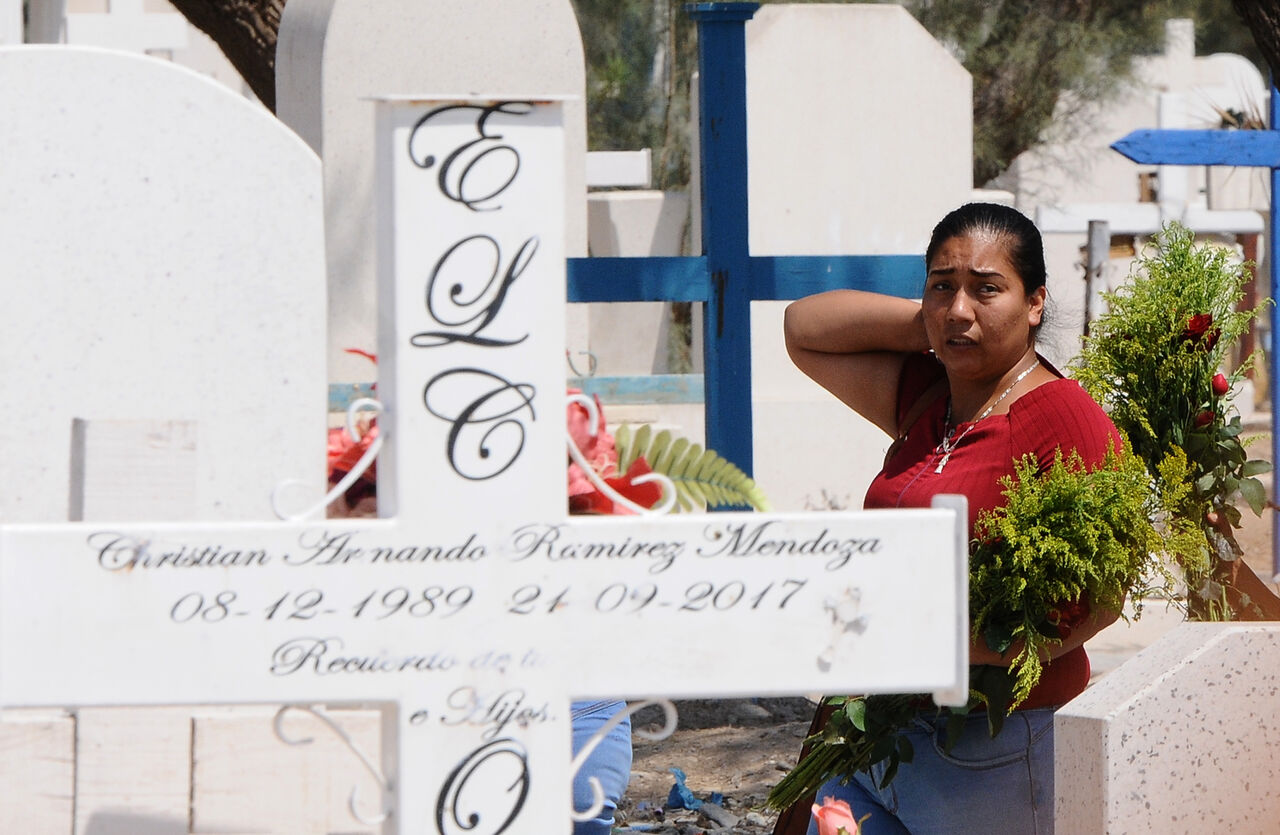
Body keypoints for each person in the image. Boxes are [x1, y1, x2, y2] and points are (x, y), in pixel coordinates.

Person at [775, 203, 1122, 835]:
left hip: (992, 755)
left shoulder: (1066, 421)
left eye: (987, 289)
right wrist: (936, 325)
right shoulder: (930, 397)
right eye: (942, 285)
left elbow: (1099, 602)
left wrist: (932, 643)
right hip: (880, 738)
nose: (960, 307)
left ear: (1035, 302)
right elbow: (803, 328)